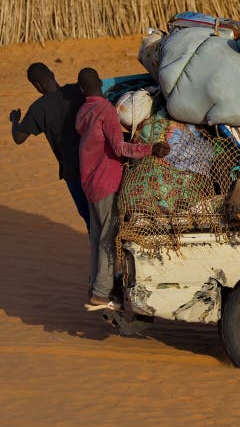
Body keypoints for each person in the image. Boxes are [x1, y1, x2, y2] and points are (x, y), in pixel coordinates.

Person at [75, 68, 170, 311]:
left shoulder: (83, 111)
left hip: (90, 183)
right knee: (108, 237)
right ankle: (100, 293)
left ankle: (94, 288)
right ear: (99, 83)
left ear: (82, 89)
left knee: (97, 237)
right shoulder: (106, 111)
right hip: (107, 182)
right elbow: (119, 148)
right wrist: (151, 149)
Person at [9, 63, 90, 230]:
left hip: (72, 172)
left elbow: (18, 137)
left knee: (90, 220)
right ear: (52, 73)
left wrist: (15, 120)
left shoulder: (39, 108)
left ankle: (99, 254)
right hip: (94, 164)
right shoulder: (76, 91)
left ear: (36, 86)